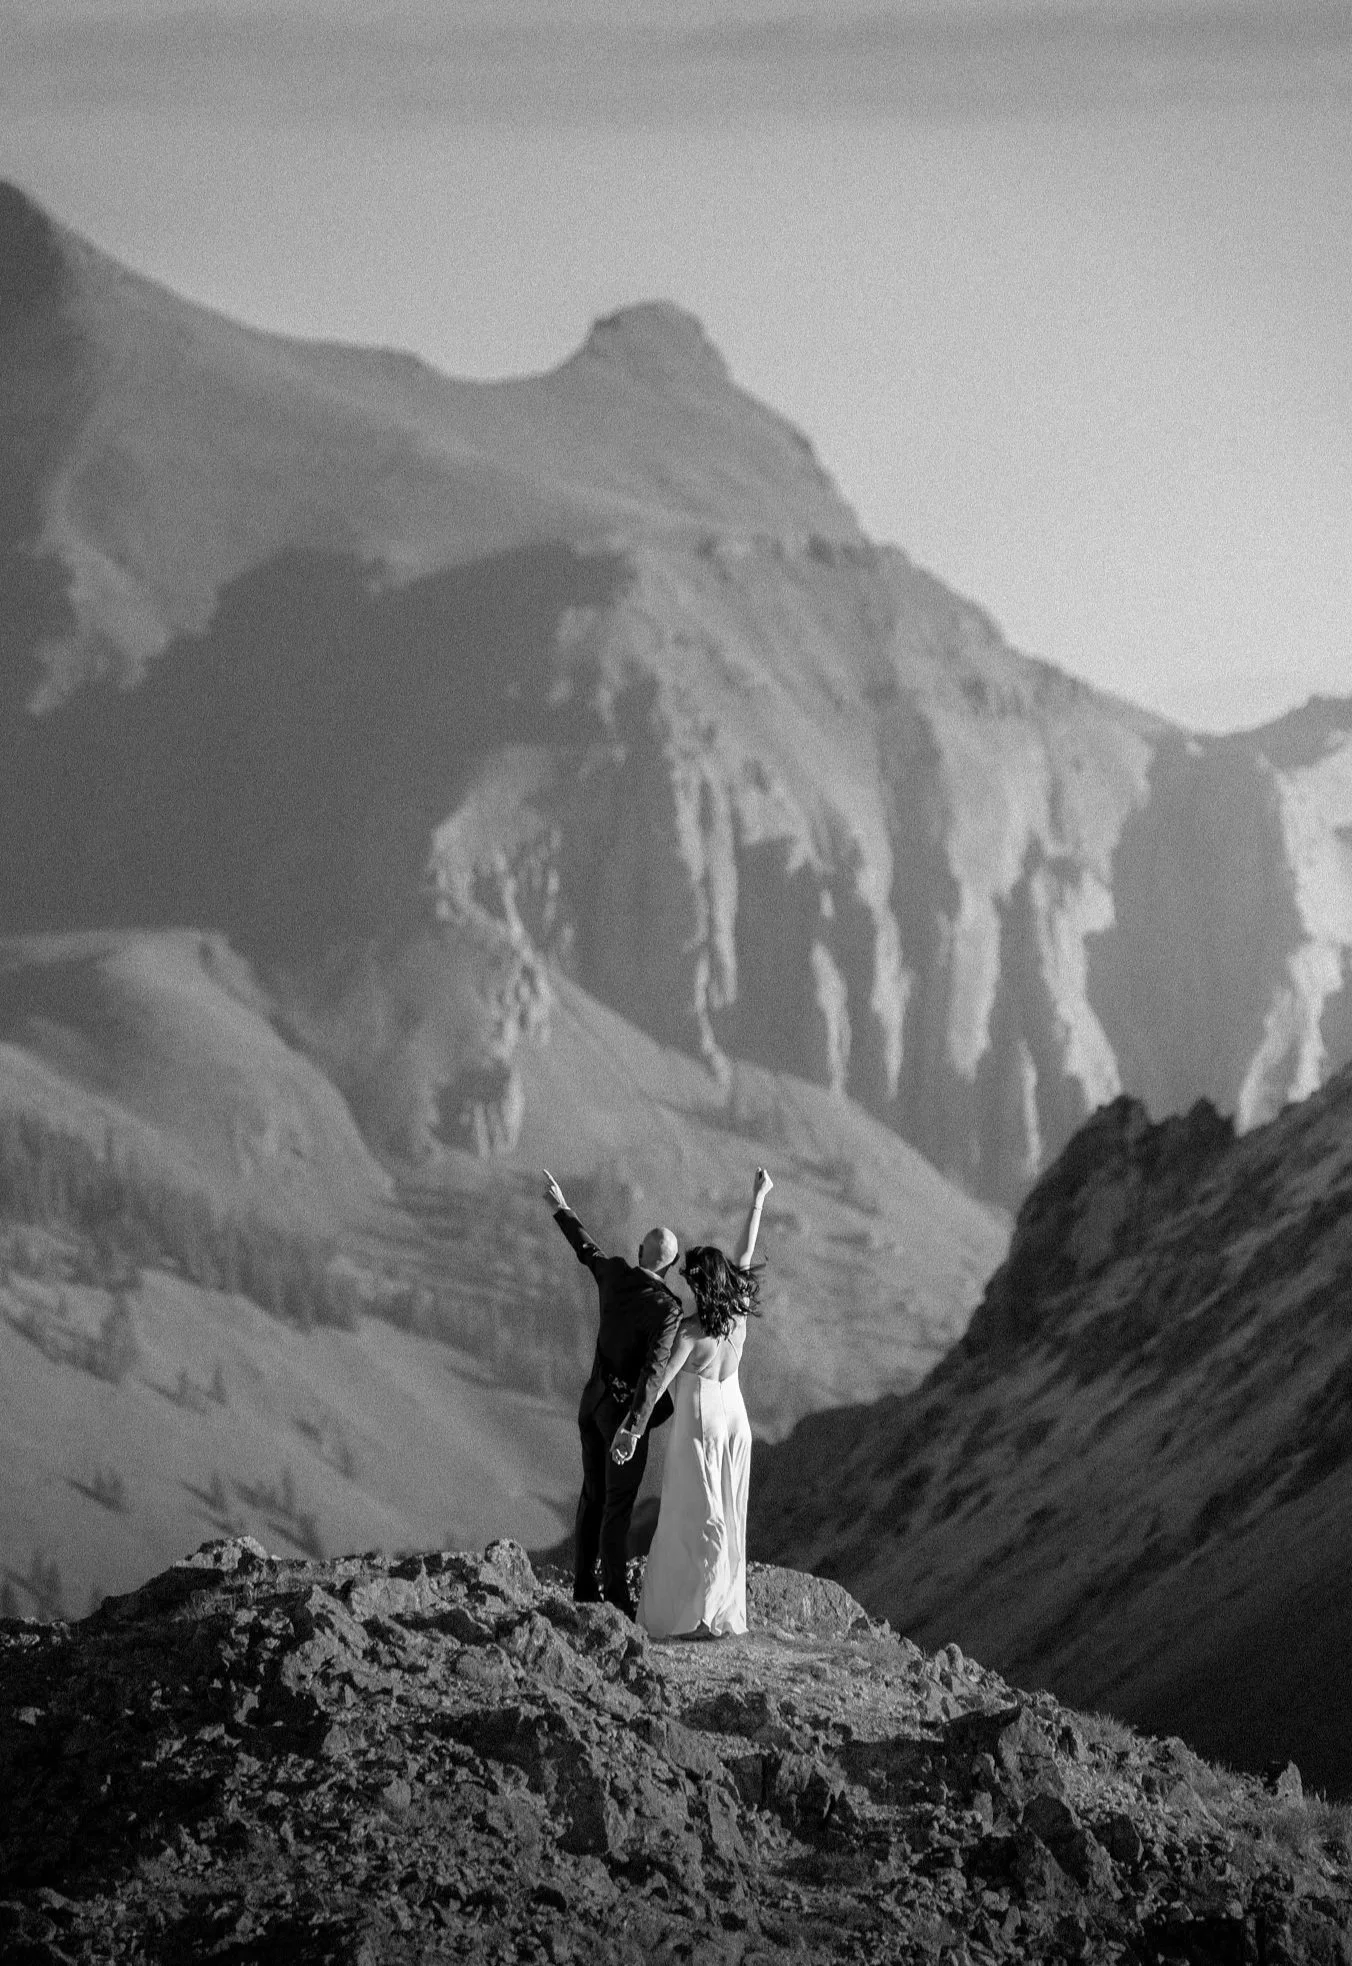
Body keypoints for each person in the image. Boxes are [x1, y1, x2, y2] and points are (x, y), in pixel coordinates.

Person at [616, 1166, 772, 1640]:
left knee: (694, 1516)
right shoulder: (739, 1308)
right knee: (729, 1509)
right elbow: (745, 1251)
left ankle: (696, 1616)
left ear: (701, 1286)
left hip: (701, 1420)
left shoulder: (690, 1331)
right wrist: (758, 1198)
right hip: (736, 1416)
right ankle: (721, 1608)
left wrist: (632, 1429)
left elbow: (660, 1383)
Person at [543, 1169, 683, 1617]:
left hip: (592, 1403)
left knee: (592, 1496)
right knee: (618, 1508)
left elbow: (587, 1249)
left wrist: (561, 1207)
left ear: (642, 1252)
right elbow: (653, 1373)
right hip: (623, 1418)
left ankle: (585, 1586)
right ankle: (618, 1599)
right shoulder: (667, 1310)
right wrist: (633, 1430)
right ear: (670, 1267)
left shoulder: (616, 1273)